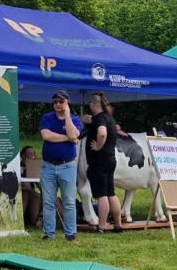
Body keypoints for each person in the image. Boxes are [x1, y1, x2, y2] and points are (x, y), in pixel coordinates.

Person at [40, 89, 82, 242]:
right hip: (48, 166)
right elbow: (46, 136)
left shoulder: (75, 119)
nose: (58, 104)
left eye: (61, 101)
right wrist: (68, 138)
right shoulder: (47, 117)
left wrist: (67, 116)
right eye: (55, 102)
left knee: (69, 201)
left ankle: (70, 234)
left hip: (67, 166)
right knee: (48, 201)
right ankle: (48, 234)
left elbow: (74, 134)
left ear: (67, 102)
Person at [86, 92, 124, 233]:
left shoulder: (100, 119)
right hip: (110, 159)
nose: (89, 105)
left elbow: (102, 133)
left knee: (101, 195)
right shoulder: (109, 118)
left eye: (90, 102)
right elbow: (88, 119)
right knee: (111, 193)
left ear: (95, 104)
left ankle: (102, 226)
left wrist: (98, 146)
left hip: (99, 161)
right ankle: (118, 225)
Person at [19, 145, 43, 227]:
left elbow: (40, 185)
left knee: (36, 196)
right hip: (21, 193)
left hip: (31, 193)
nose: (33, 156)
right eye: (30, 154)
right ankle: (22, 220)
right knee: (27, 193)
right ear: (23, 156)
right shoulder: (19, 166)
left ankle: (35, 220)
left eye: (34, 153)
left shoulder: (34, 166)